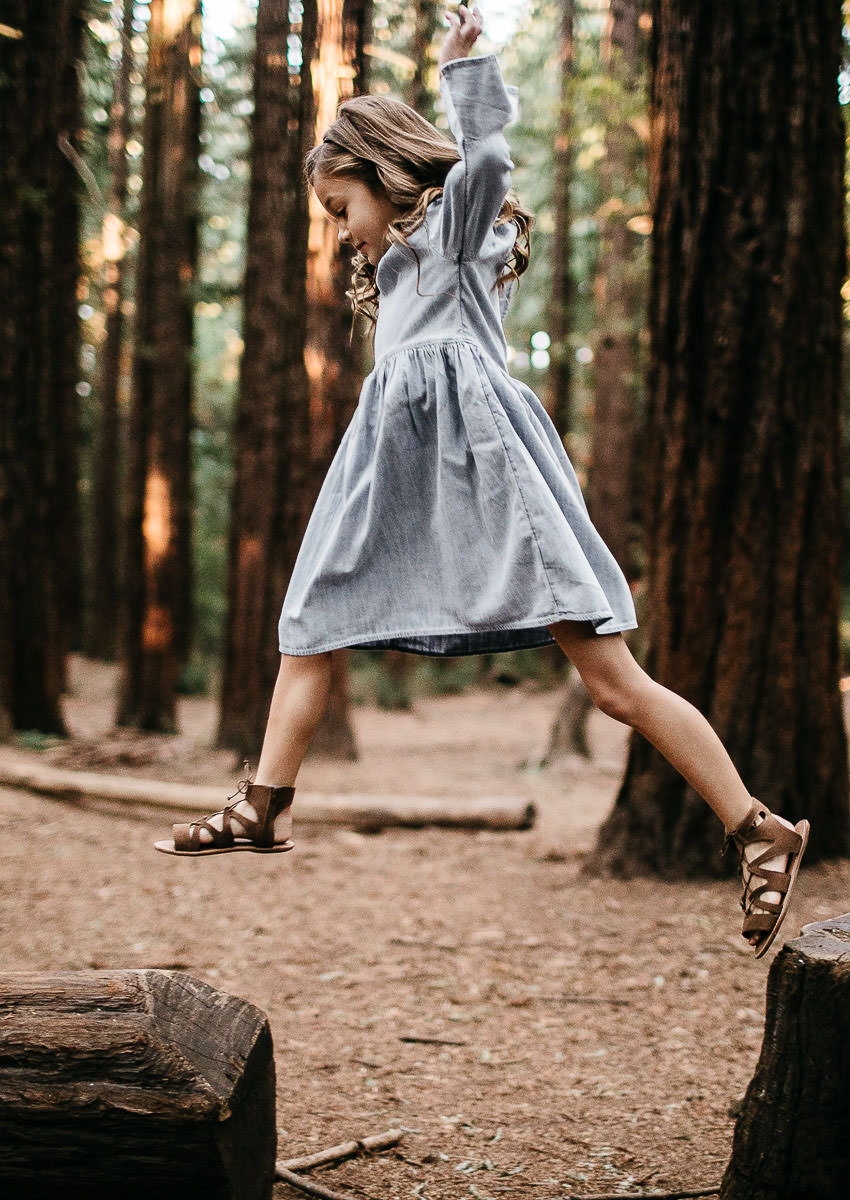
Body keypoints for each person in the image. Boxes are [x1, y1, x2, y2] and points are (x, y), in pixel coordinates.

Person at [156, 5, 809, 957]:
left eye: (343, 209)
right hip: (391, 478)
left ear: (386, 177)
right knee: (307, 626)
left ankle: (758, 830)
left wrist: (467, 71)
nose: (341, 234)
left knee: (613, 683)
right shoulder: (399, 269)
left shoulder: (456, 241)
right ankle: (265, 803)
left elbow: (489, 165)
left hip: (496, 482)